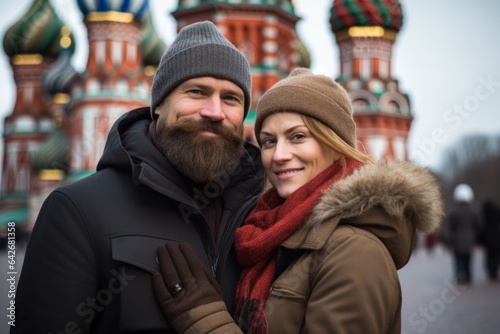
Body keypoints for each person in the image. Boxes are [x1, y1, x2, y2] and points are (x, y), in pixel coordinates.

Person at [12, 21, 264, 333]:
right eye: (197, 92)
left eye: (230, 98)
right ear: (159, 105)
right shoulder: (78, 211)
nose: (214, 111)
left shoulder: (260, 213)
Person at [151, 68, 445, 333]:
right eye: (268, 141)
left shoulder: (355, 250)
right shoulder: (278, 232)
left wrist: (205, 320)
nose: (278, 155)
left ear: (335, 143)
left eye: (298, 136)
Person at [442, 183, 482, 285]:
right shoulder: (474, 209)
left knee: (458, 259)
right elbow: (479, 224)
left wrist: (448, 238)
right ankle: (468, 277)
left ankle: (460, 276)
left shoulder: (453, 209)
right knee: (468, 259)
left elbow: (448, 226)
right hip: (470, 239)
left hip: (457, 240)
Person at [480, 200, 500, 281]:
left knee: (489, 255)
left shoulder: (483, 213)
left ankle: (490, 272)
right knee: (496, 256)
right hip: (497, 236)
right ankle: (494, 271)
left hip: (487, 237)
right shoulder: (497, 212)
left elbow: (480, 225)